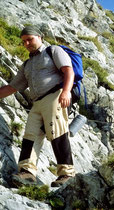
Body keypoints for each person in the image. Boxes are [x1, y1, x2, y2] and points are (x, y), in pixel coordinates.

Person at [0, 25, 76, 187]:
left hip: (55, 95)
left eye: (30, 39)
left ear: (40, 37)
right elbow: (13, 87)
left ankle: (67, 174)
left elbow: (68, 71)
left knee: (57, 131)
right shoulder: (27, 64)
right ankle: (27, 172)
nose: (27, 43)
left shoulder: (53, 51)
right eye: (24, 41)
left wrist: (66, 92)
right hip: (37, 102)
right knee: (30, 135)